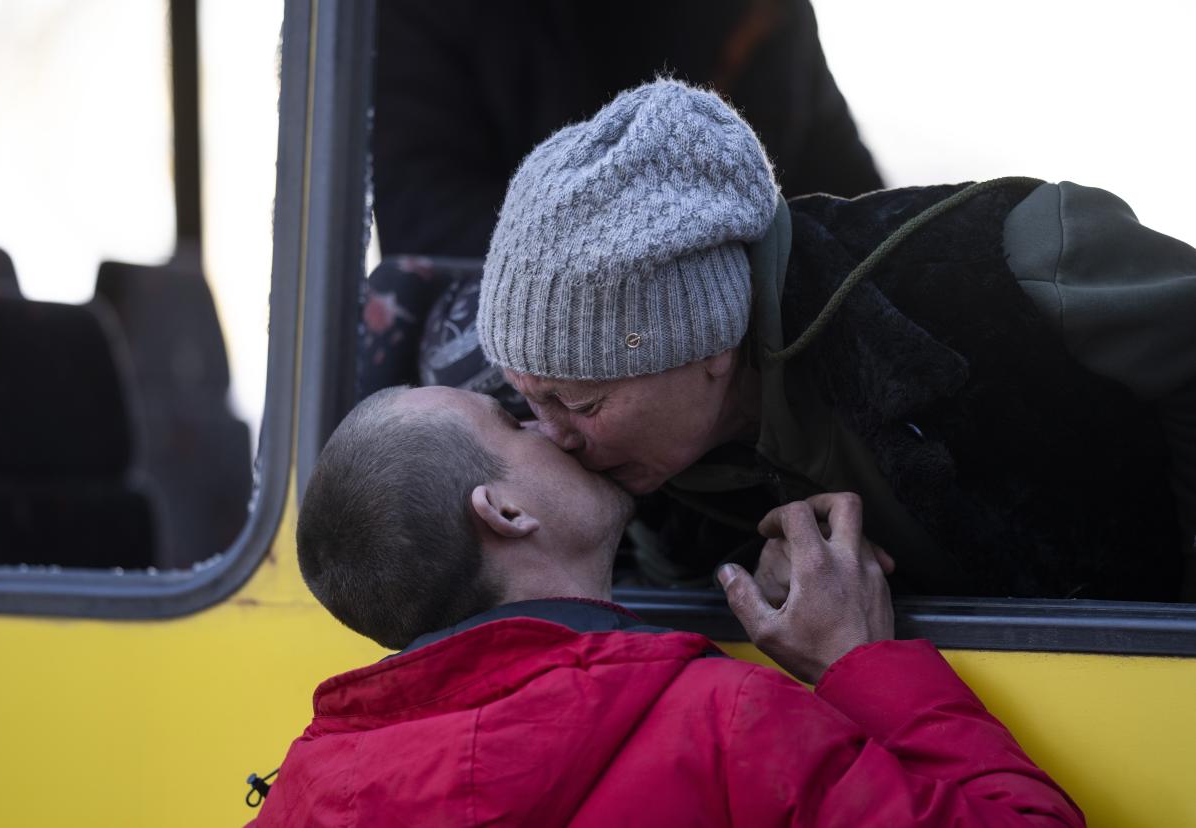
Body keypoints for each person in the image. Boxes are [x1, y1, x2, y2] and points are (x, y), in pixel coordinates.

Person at [475, 79, 1196, 600]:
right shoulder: (639, 465)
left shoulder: (1017, 262)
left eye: (586, 402)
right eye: (534, 398)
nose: (554, 435)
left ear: (710, 346)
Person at [248, 385, 1084, 826]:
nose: (554, 429)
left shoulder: (305, 795)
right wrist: (861, 666)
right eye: (511, 423)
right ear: (503, 512)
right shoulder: (726, 725)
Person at [373, 0, 882, 259]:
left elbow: (857, 211)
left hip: (747, 391)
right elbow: (425, 226)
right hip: (519, 393)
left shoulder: (761, 13)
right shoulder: (423, 16)